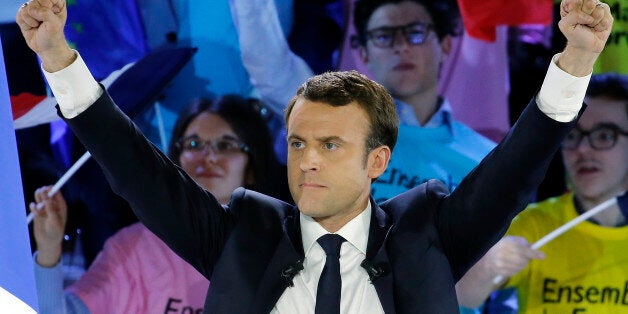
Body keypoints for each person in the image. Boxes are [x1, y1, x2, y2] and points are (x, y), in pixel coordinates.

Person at [17, 0, 613, 312]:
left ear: (377, 162)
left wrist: (575, 65)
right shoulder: (243, 237)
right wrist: (58, 59)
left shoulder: (426, 236)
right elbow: (138, 172)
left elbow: (511, 176)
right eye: (299, 142)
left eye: (331, 145)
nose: (308, 161)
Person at [30, 95, 289, 313]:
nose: (207, 157)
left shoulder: (278, 248)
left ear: (253, 165)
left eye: (226, 145)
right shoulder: (133, 247)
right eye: (194, 144)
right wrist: (49, 251)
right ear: (175, 157)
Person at [231, 0, 496, 202]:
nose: (401, 46)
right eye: (384, 36)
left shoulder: (487, 158)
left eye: (415, 32)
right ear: (364, 53)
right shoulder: (335, 118)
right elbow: (269, 66)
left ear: (445, 45)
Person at [455, 72, 628, 313]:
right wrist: (489, 266)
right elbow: (465, 295)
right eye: (573, 135)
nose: (583, 149)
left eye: (604, 136)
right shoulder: (533, 224)